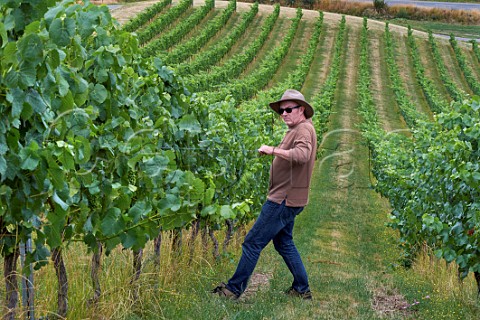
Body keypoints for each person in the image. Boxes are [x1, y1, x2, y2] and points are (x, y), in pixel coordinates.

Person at [212, 89, 317, 300]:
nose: (284, 114)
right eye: (281, 111)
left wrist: (273, 150)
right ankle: (301, 288)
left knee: (252, 242)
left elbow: (302, 155)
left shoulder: (303, 130)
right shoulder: (300, 128)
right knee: (283, 242)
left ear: (301, 109)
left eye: (288, 109)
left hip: (283, 200)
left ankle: (233, 290)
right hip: (289, 197)